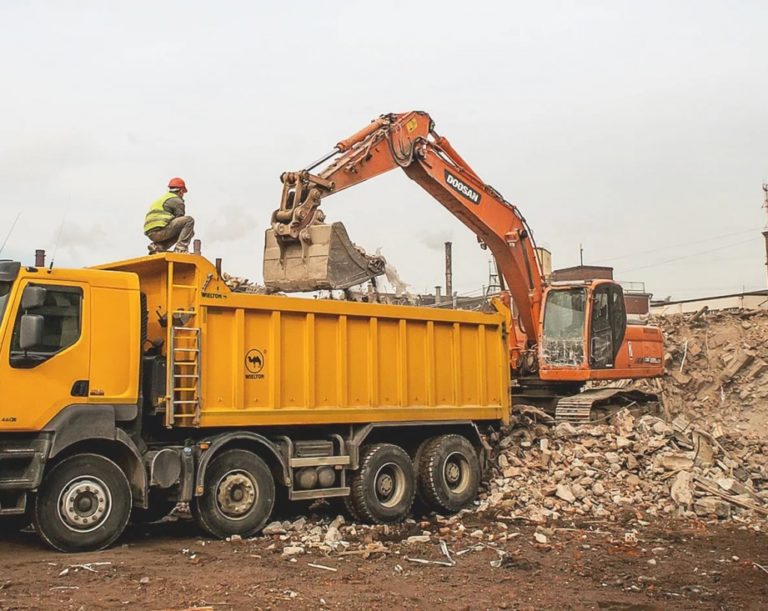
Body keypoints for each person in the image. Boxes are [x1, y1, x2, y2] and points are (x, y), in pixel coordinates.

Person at [144, 177, 195, 254]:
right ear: (181, 190)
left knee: (186, 231)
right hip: (161, 230)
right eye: (183, 192)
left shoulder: (163, 198)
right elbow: (180, 221)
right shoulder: (177, 201)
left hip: (151, 233)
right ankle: (181, 248)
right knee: (189, 221)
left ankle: (158, 246)